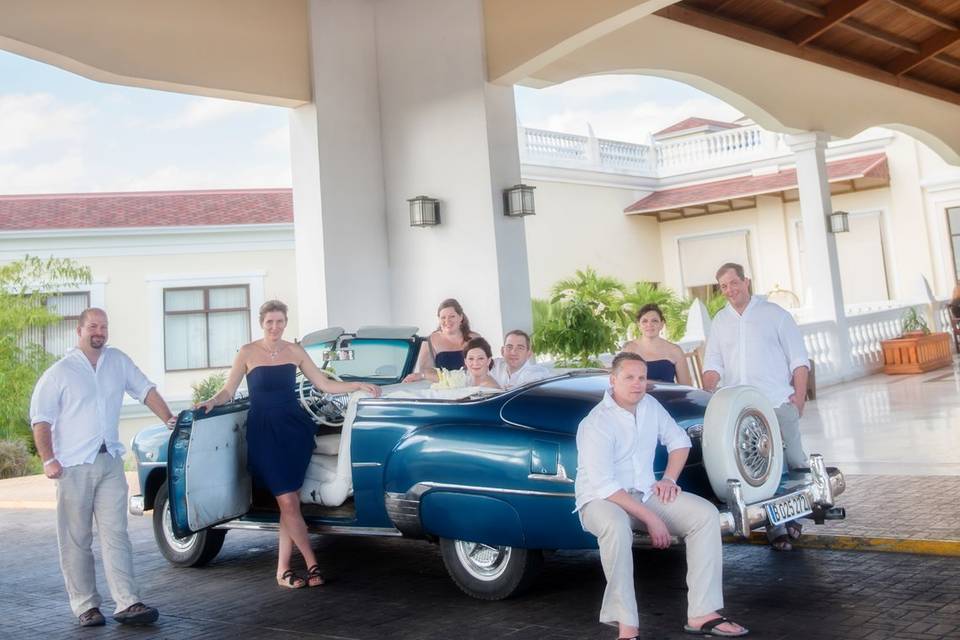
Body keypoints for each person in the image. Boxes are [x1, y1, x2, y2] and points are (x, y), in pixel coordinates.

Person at [196, 300, 381, 588]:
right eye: (270, 322)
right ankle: (312, 562)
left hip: (294, 431)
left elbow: (324, 384)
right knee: (287, 501)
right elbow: (228, 390)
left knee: (290, 503)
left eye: (279, 321)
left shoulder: (295, 351)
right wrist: (210, 402)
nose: (275, 327)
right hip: (263, 432)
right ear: (261, 323)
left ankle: (283, 570)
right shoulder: (247, 352)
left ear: (285, 322)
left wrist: (356, 385)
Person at [575, 352, 748, 639]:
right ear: (613, 380)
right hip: (601, 500)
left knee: (705, 515)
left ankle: (702, 613)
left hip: (644, 493)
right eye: (629, 377)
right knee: (617, 528)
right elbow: (604, 485)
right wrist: (652, 519)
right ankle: (627, 626)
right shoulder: (596, 423)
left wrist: (668, 478)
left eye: (642, 377)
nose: (637, 384)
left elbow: (679, 442)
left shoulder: (650, 406)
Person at [30, 308, 174, 627]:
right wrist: (48, 459)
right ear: (79, 331)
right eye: (93, 326)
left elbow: (145, 390)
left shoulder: (117, 361)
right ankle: (86, 606)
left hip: (109, 462)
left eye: (104, 326)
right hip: (72, 467)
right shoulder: (60, 372)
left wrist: (168, 419)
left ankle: (127, 602)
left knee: (116, 534)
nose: (99, 331)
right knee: (76, 538)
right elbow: (41, 419)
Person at [702, 262, 810, 552]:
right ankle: (777, 529)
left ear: (746, 281)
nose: (729, 290)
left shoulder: (775, 315)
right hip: (743, 410)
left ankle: (796, 514)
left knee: (795, 463)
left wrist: (799, 399)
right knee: (760, 472)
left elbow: (799, 360)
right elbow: (712, 363)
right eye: (723, 286)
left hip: (777, 402)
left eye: (733, 283)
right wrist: (708, 390)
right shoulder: (720, 321)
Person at [403, 298, 478, 383]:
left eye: (452, 316)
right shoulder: (430, 341)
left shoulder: (475, 339)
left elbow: (483, 368)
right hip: (443, 390)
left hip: (472, 387)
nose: (447, 321)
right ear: (439, 319)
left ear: (461, 317)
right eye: (443, 317)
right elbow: (426, 372)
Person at [622, 303, 692, 385]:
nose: (649, 324)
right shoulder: (629, 349)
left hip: (668, 397)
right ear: (639, 325)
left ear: (661, 324)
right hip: (638, 397)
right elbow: (623, 382)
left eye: (654, 321)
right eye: (644, 321)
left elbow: (686, 386)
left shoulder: (675, 350)